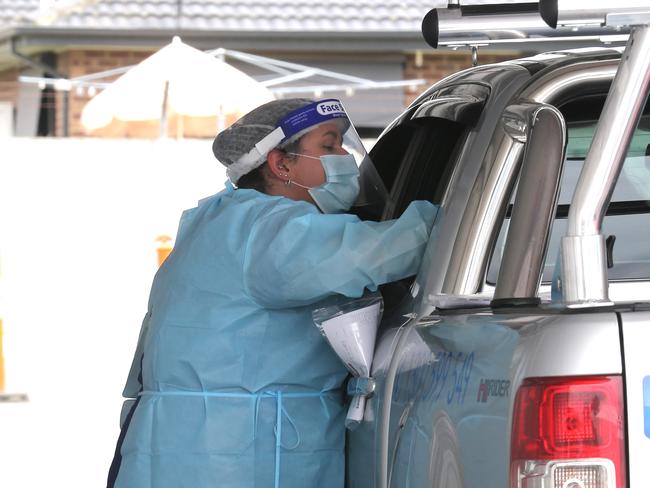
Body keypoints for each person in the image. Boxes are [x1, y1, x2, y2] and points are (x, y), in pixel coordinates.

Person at [107, 98, 438, 488]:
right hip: (235, 453)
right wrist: (454, 213)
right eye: (329, 146)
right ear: (281, 164)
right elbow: (383, 252)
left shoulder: (222, 219)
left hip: (193, 444)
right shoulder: (271, 229)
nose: (345, 158)